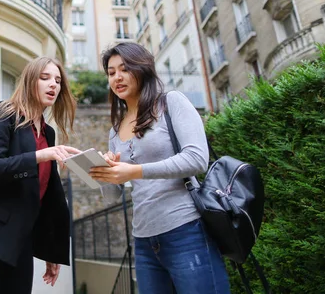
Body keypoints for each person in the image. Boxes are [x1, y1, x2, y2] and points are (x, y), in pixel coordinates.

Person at [89, 42, 230, 294]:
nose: (117, 77)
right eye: (111, 73)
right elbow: (114, 195)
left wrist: (135, 170)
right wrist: (103, 174)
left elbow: (197, 159)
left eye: (124, 69)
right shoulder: (115, 130)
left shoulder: (170, 103)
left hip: (186, 229)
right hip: (144, 241)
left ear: (141, 68)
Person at [0, 56, 80, 294]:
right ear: (31, 81)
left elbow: (43, 196)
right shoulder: (4, 113)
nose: (53, 84)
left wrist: (51, 250)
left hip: (19, 246)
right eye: (45, 78)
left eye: (58, 80)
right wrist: (39, 156)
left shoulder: (48, 134)